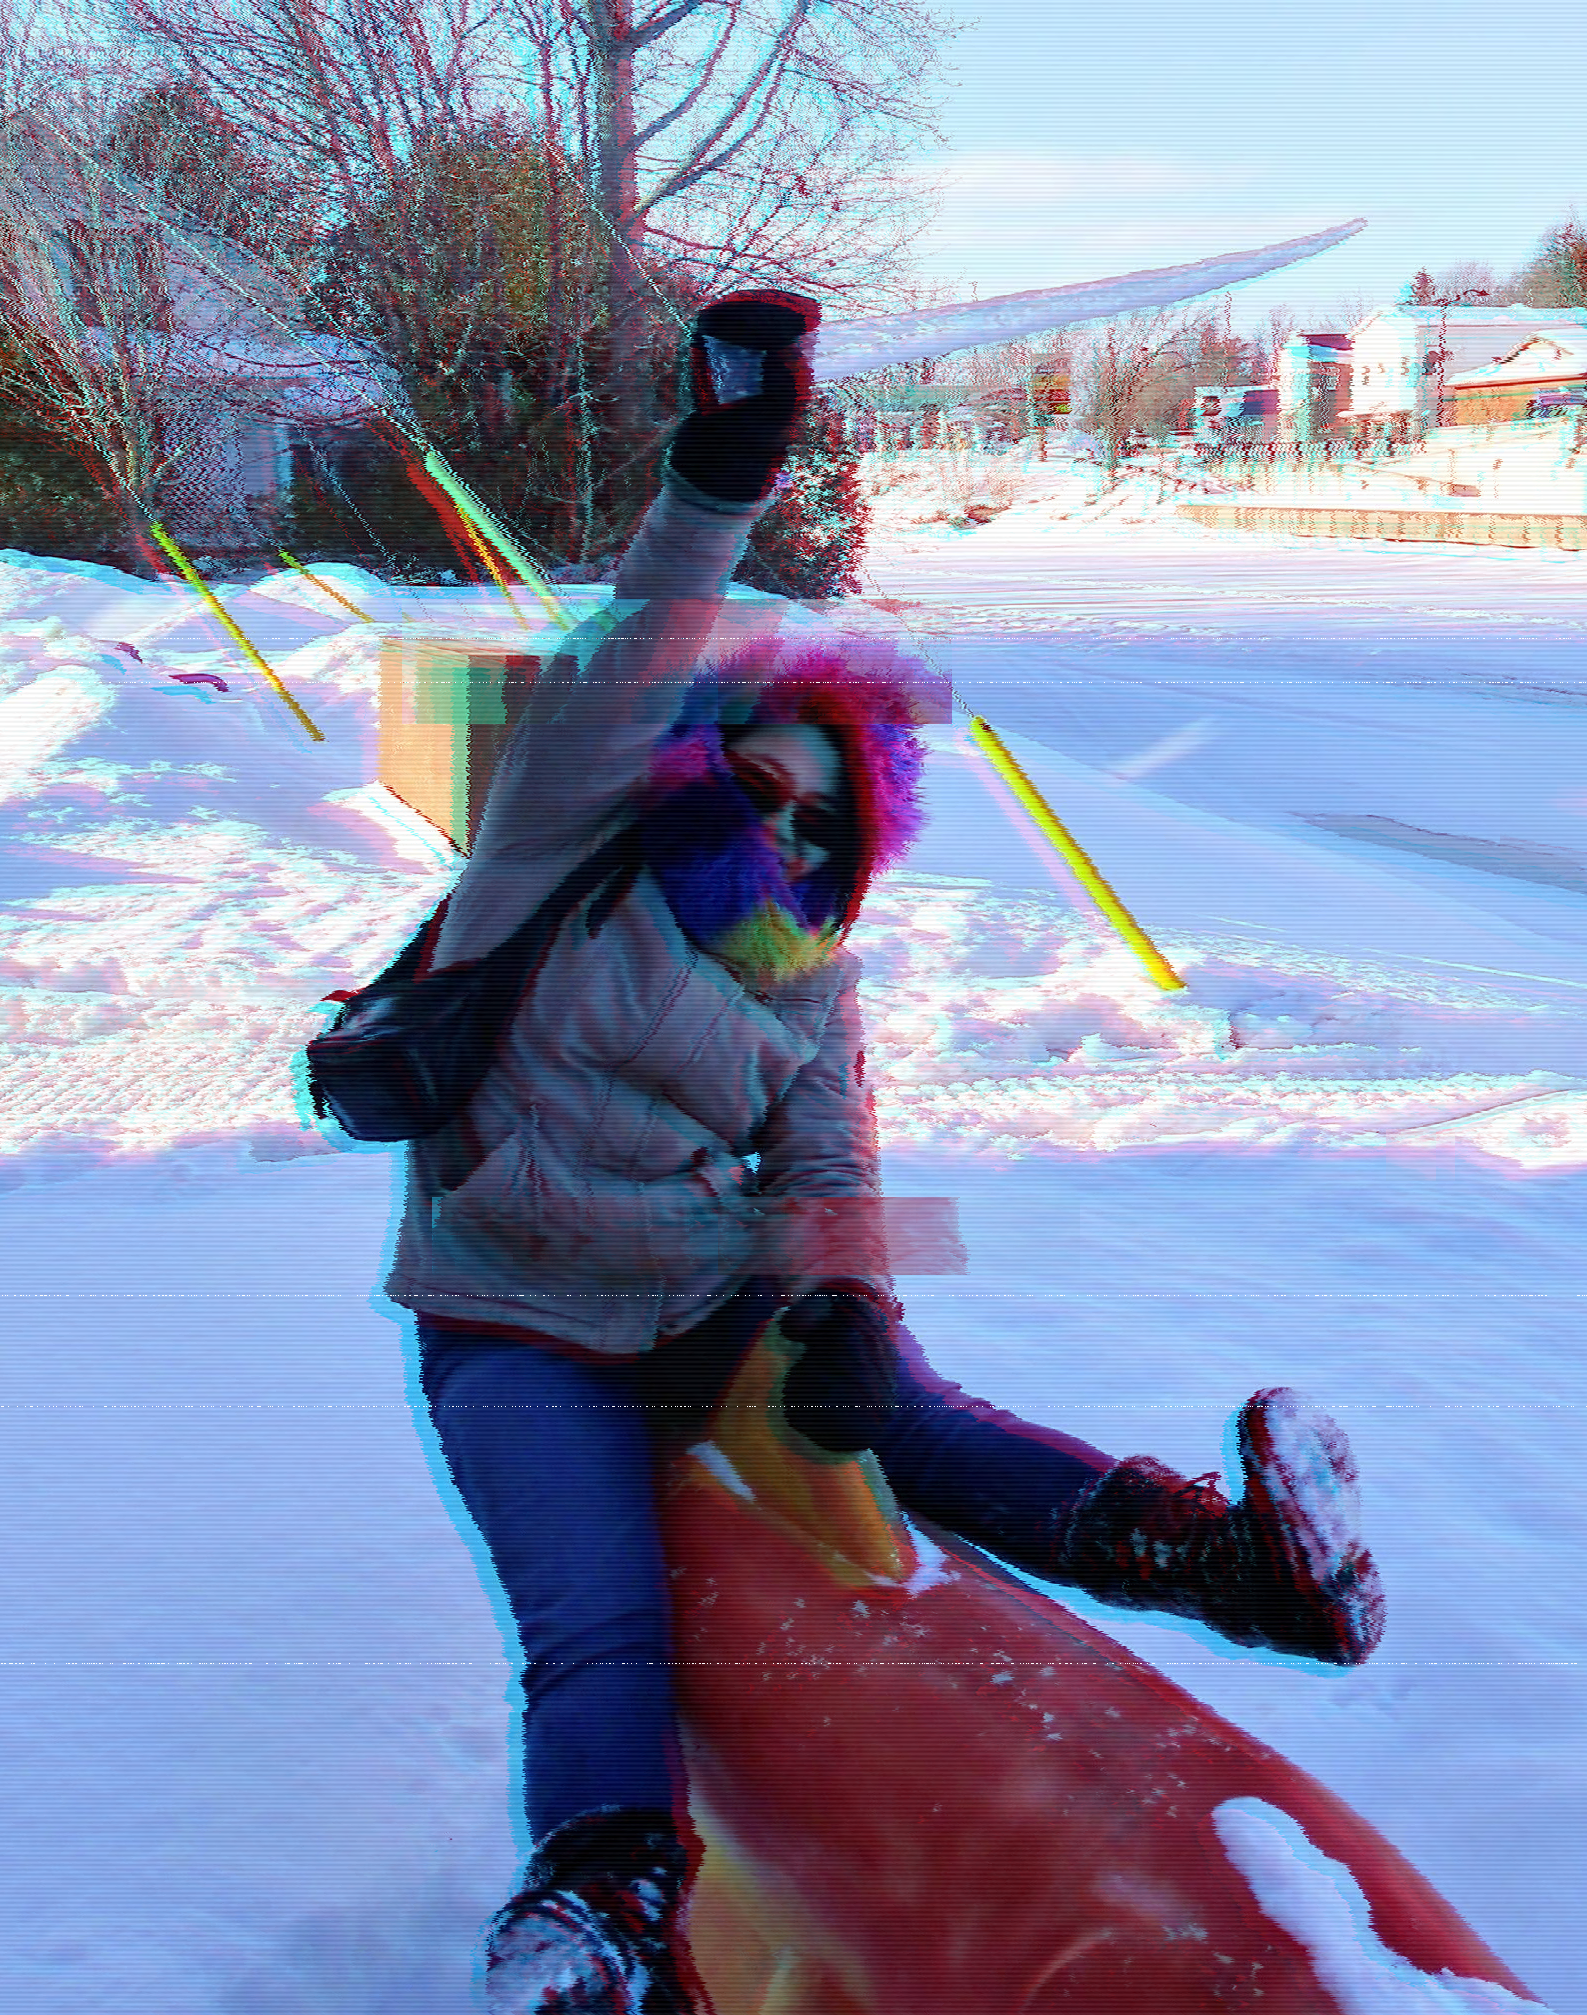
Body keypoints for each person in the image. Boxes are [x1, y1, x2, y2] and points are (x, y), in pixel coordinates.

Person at [386, 292, 1388, 2015]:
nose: (784, 834)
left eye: (824, 825)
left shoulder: (808, 978)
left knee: (924, 1412)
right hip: (514, 1315)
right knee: (597, 1614)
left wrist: (851, 1302)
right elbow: (632, 644)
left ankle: (1227, 1564)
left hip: (699, 1300)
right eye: (757, 791)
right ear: (686, 776)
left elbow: (841, 1171)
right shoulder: (555, 861)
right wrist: (722, 471)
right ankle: (604, 1910)